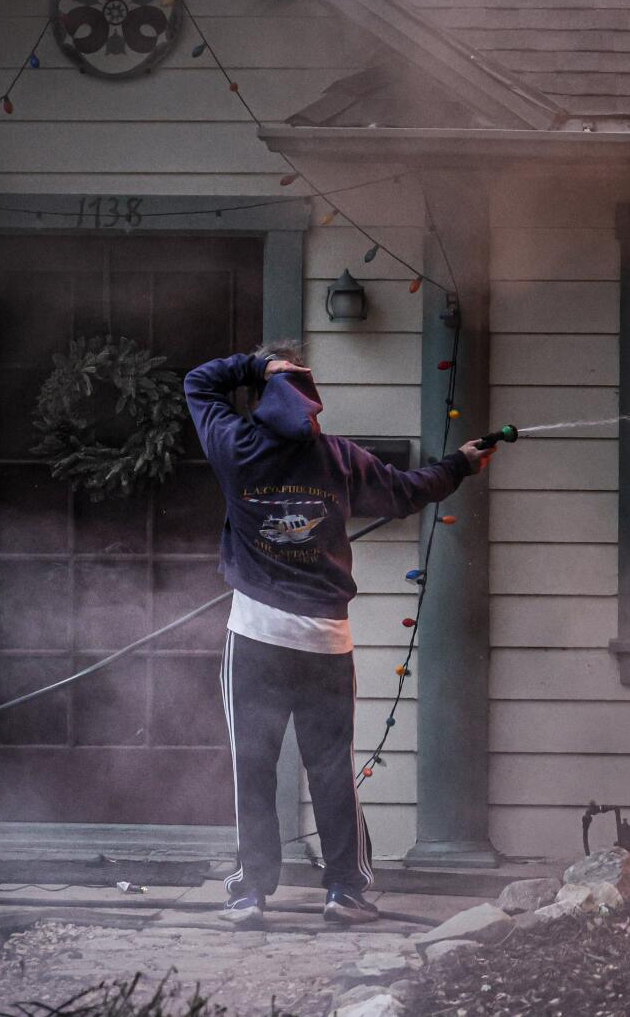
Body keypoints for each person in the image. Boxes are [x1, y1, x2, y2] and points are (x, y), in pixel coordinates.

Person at [185, 345, 490, 928]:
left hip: (255, 637)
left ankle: (251, 893)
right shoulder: (339, 458)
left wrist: (256, 366)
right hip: (327, 641)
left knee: (252, 765)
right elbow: (407, 492)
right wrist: (461, 464)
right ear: (308, 393)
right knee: (330, 767)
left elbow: (199, 382)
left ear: (262, 389)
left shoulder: (235, 447)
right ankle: (344, 891)